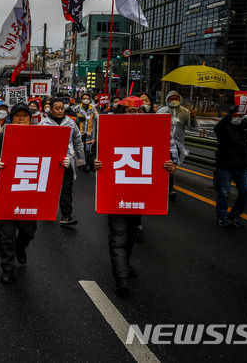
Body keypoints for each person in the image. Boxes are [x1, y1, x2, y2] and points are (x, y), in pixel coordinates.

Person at [93, 97, 176, 296]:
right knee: (118, 234)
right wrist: (95, 162)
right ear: (123, 112)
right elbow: (95, 152)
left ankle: (125, 265)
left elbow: (165, 153)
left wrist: (170, 165)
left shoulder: (153, 129)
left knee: (130, 233)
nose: (136, 115)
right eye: (131, 111)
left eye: (139, 111)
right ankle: (121, 279)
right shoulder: (110, 127)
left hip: (139, 191)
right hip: (116, 191)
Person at [0, 103, 66, 284]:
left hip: (30, 194)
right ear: (11, 119)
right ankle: (7, 269)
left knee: (29, 232)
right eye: (17, 116)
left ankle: (20, 247)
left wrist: (63, 161)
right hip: (7, 195)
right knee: (6, 234)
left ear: (31, 120)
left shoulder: (42, 138)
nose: (21, 119)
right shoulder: (1, 139)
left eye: (25, 116)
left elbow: (52, 157)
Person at [213, 103, 247, 228]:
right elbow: (217, 129)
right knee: (223, 193)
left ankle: (235, 214)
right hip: (225, 165)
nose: (237, 117)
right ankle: (221, 216)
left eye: (240, 115)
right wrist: (229, 116)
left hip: (242, 166)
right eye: (235, 115)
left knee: (246, 192)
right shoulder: (224, 126)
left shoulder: (244, 125)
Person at [39, 99, 85, 225]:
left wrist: (80, 159)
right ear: (50, 110)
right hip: (48, 162)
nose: (60, 111)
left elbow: (77, 141)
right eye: (57, 109)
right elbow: (37, 143)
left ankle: (66, 215)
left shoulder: (70, 122)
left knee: (66, 189)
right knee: (48, 189)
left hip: (66, 161)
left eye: (62, 108)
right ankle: (47, 212)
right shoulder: (43, 124)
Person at [157, 90, 199, 199]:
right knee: (168, 164)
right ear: (167, 100)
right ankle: (170, 188)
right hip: (163, 144)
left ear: (180, 100)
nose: (174, 101)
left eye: (176, 98)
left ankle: (166, 185)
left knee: (171, 166)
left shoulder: (185, 112)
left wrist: (193, 117)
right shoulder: (162, 111)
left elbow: (193, 128)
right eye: (171, 99)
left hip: (178, 144)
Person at [73, 93, 98, 171]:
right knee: (79, 148)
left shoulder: (93, 109)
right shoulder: (77, 108)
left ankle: (86, 164)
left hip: (89, 132)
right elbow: (72, 118)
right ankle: (80, 162)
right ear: (81, 100)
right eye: (84, 98)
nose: (86, 100)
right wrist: (78, 119)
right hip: (79, 132)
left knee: (88, 149)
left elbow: (97, 118)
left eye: (87, 98)